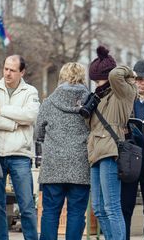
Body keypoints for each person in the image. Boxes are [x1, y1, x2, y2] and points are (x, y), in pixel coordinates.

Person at [0, 54, 40, 240]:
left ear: (22, 72)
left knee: (27, 205)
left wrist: (4, 110)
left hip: (20, 155)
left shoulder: (30, 91)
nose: (7, 73)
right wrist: (14, 124)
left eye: (12, 70)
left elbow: (30, 116)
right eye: (6, 68)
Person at [36, 62, 90, 240]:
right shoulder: (90, 102)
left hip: (53, 165)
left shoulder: (50, 102)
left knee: (50, 212)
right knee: (76, 212)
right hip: (80, 165)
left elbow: (39, 133)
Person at [87, 46, 137, 240]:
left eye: (99, 79)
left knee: (112, 207)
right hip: (94, 153)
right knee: (98, 208)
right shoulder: (98, 97)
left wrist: (128, 71)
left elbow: (116, 74)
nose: (96, 84)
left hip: (110, 151)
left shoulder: (122, 92)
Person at [121, 59, 144, 240]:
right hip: (129, 159)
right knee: (125, 205)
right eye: (138, 79)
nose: (142, 82)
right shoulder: (125, 99)